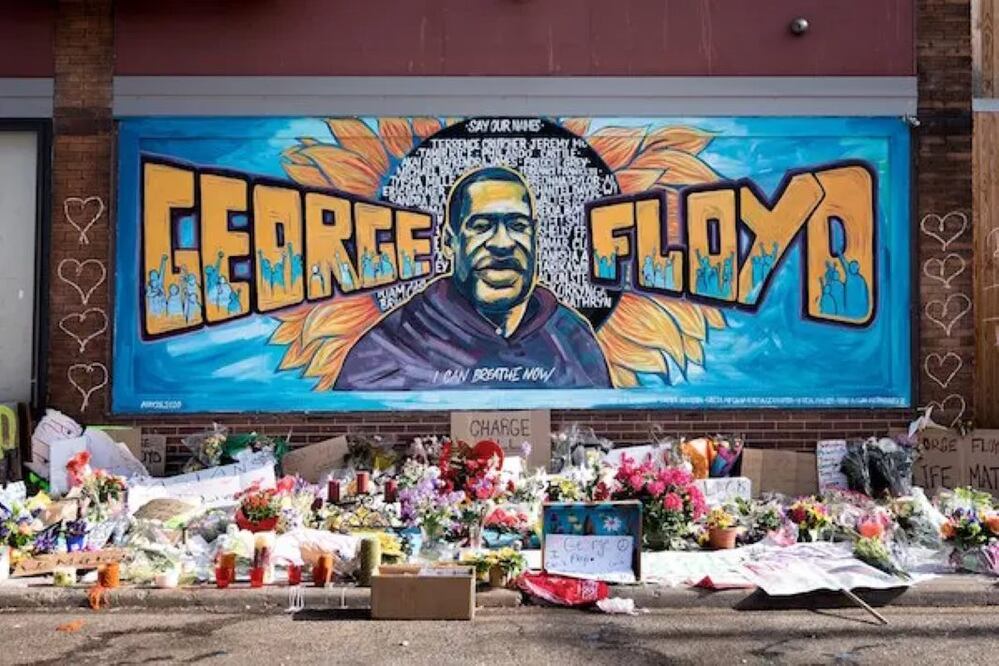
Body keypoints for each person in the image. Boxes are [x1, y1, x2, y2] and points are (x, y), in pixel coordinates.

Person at [334, 166, 611, 390]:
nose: (503, 243)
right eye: (481, 226)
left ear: (536, 237)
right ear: (448, 242)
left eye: (517, 225)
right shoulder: (392, 345)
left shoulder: (571, 336)